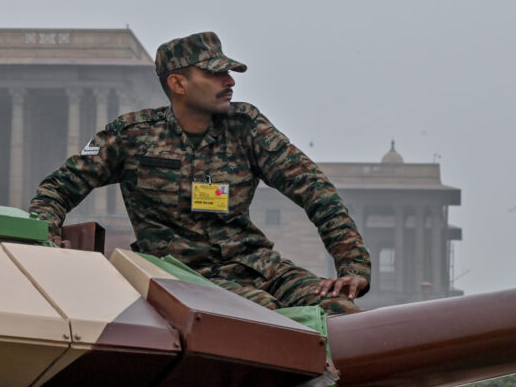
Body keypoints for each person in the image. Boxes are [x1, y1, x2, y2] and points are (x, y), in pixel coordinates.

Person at [29, 32, 370, 314]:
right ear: (178, 83)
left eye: (229, 73)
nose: (230, 81)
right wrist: (44, 235)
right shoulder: (132, 136)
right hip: (184, 277)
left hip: (258, 267)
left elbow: (314, 189)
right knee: (265, 315)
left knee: (339, 311)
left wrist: (352, 267)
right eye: (215, 74)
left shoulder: (245, 126)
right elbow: (58, 188)